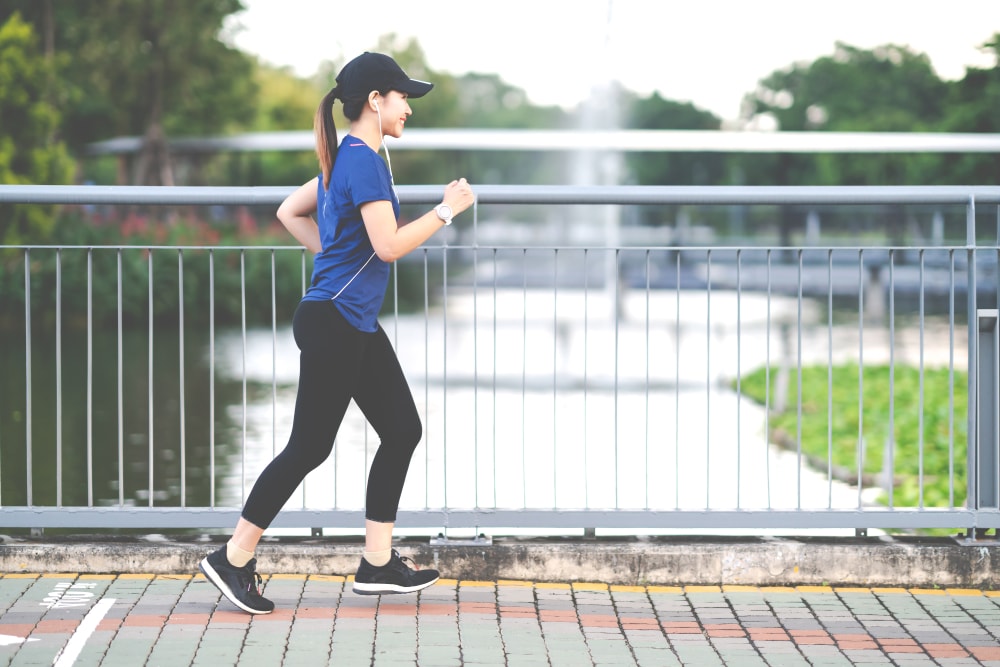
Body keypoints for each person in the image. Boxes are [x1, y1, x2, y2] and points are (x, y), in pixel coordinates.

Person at [198, 52, 476, 614]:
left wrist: (336, 259)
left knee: (401, 429)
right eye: (402, 98)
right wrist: (447, 211)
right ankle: (233, 556)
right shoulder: (362, 163)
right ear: (375, 100)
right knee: (309, 446)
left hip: (345, 319)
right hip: (335, 322)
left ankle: (377, 563)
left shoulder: (344, 157)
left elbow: (287, 212)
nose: (407, 110)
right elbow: (389, 246)